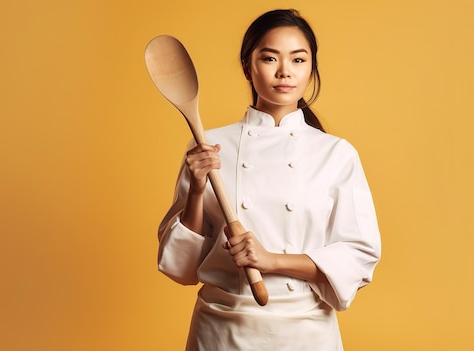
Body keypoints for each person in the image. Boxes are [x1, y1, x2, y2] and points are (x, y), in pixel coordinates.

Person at [157, 8, 381, 351]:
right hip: (221, 330)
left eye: (298, 59)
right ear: (248, 66)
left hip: (306, 333)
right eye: (269, 58)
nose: (284, 71)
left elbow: (358, 255)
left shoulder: (336, 154)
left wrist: (272, 260)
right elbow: (181, 268)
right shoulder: (208, 146)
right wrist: (197, 191)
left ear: (312, 69)